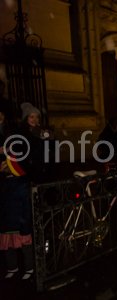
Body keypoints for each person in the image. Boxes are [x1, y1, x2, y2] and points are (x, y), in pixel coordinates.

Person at [0, 102, 52, 280]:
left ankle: (42, 259)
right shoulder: (20, 135)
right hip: (24, 181)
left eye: (37, 117)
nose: (35, 120)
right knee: (24, 222)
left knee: (38, 221)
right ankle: (26, 263)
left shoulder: (42, 133)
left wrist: (48, 140)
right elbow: (19, 156)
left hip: (39, 181)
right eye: (31, 117)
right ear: (25, 119)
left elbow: (47, 156)